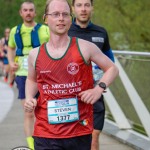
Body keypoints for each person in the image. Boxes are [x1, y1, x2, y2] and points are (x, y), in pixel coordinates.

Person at [24, 0, 119, 150]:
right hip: (46, 131)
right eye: (55, 14)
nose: (61, 18)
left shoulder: (86, 47)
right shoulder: (35, 54)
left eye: (65, 14)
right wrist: (29, 98)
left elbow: (112, 68)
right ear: (45, 19)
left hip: (79, 130)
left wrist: (98, 89)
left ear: (70, 18)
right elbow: (31, 79)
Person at [68, 0, 114, 149]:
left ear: (92, 8)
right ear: (73, 9)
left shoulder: (101, 32)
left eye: (87, 5)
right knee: (72, 139)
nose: (83, 9)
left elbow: (110, 63)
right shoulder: (65, 31)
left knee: (94, 136)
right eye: (79, 5)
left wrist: (102, 83)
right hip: (70, 96)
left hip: (94, 95)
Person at [7, 1, 50, 149]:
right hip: (23, 75)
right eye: (25, 10)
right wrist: (11, 61)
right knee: (29, 112)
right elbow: (11, 47)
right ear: (21, 13)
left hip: (44, 75)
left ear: (35, 13)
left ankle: (46, 141)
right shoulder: (15, 31)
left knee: (44, 112)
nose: (28, 13)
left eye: (31, 10)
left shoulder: (45, 30)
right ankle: (32, 146)